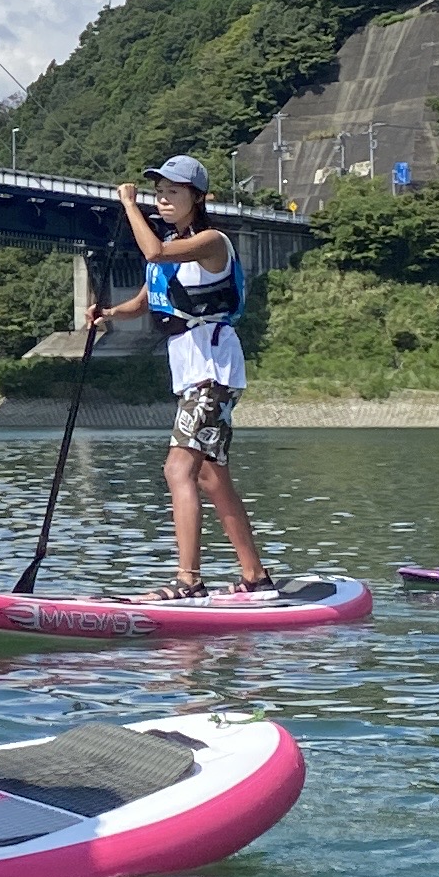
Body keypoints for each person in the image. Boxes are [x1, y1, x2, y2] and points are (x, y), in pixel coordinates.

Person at [99, 154, 275, 600]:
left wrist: (128, 206)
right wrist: (108, 315)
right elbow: (144, 301)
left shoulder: (210, 241)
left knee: (178, 467)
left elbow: (153, 251)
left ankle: (188, 580)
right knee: (212, 477)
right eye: (158, 193)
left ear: (196, 198)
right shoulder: (171, 249)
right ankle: (255, 576)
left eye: (173, 193)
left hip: (212, 370)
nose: (162, 200)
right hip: (194, 371)